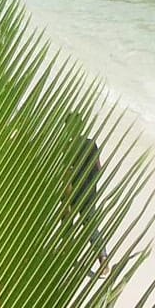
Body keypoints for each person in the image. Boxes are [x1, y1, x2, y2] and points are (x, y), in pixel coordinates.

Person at [63, 113, 108, 273]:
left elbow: (67, 173)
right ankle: (103, 261)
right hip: (90, 190)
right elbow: (99, 167)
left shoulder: (68, 146)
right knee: (90, 225)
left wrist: (67, 197)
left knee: (67, 222)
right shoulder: (91, 143)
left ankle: (69, 255)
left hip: (75, 191)